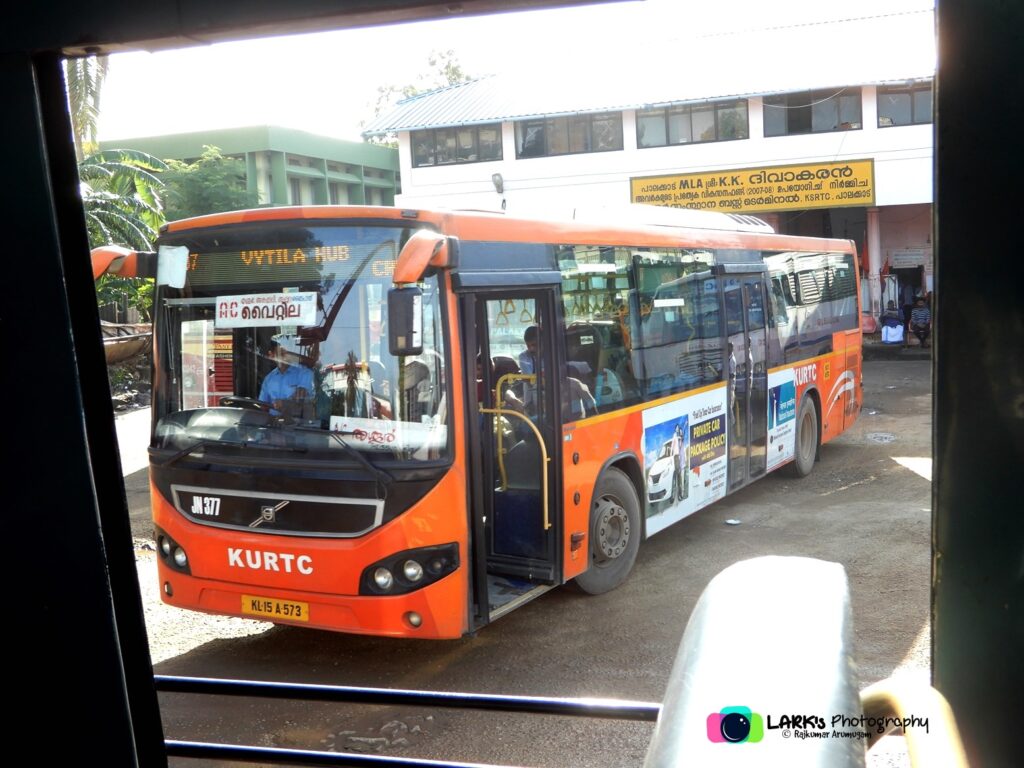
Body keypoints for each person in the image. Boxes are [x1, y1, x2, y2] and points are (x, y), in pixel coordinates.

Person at [259, 339, 315, 416]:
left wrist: (284, 404)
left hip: (298, 425)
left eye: (287, 352)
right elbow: (262, 406)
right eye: (281, 353)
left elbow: (301, 402)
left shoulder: (305, 373)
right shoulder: (268, 379)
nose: (285, 356)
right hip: (273, 426)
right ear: (272, 355)